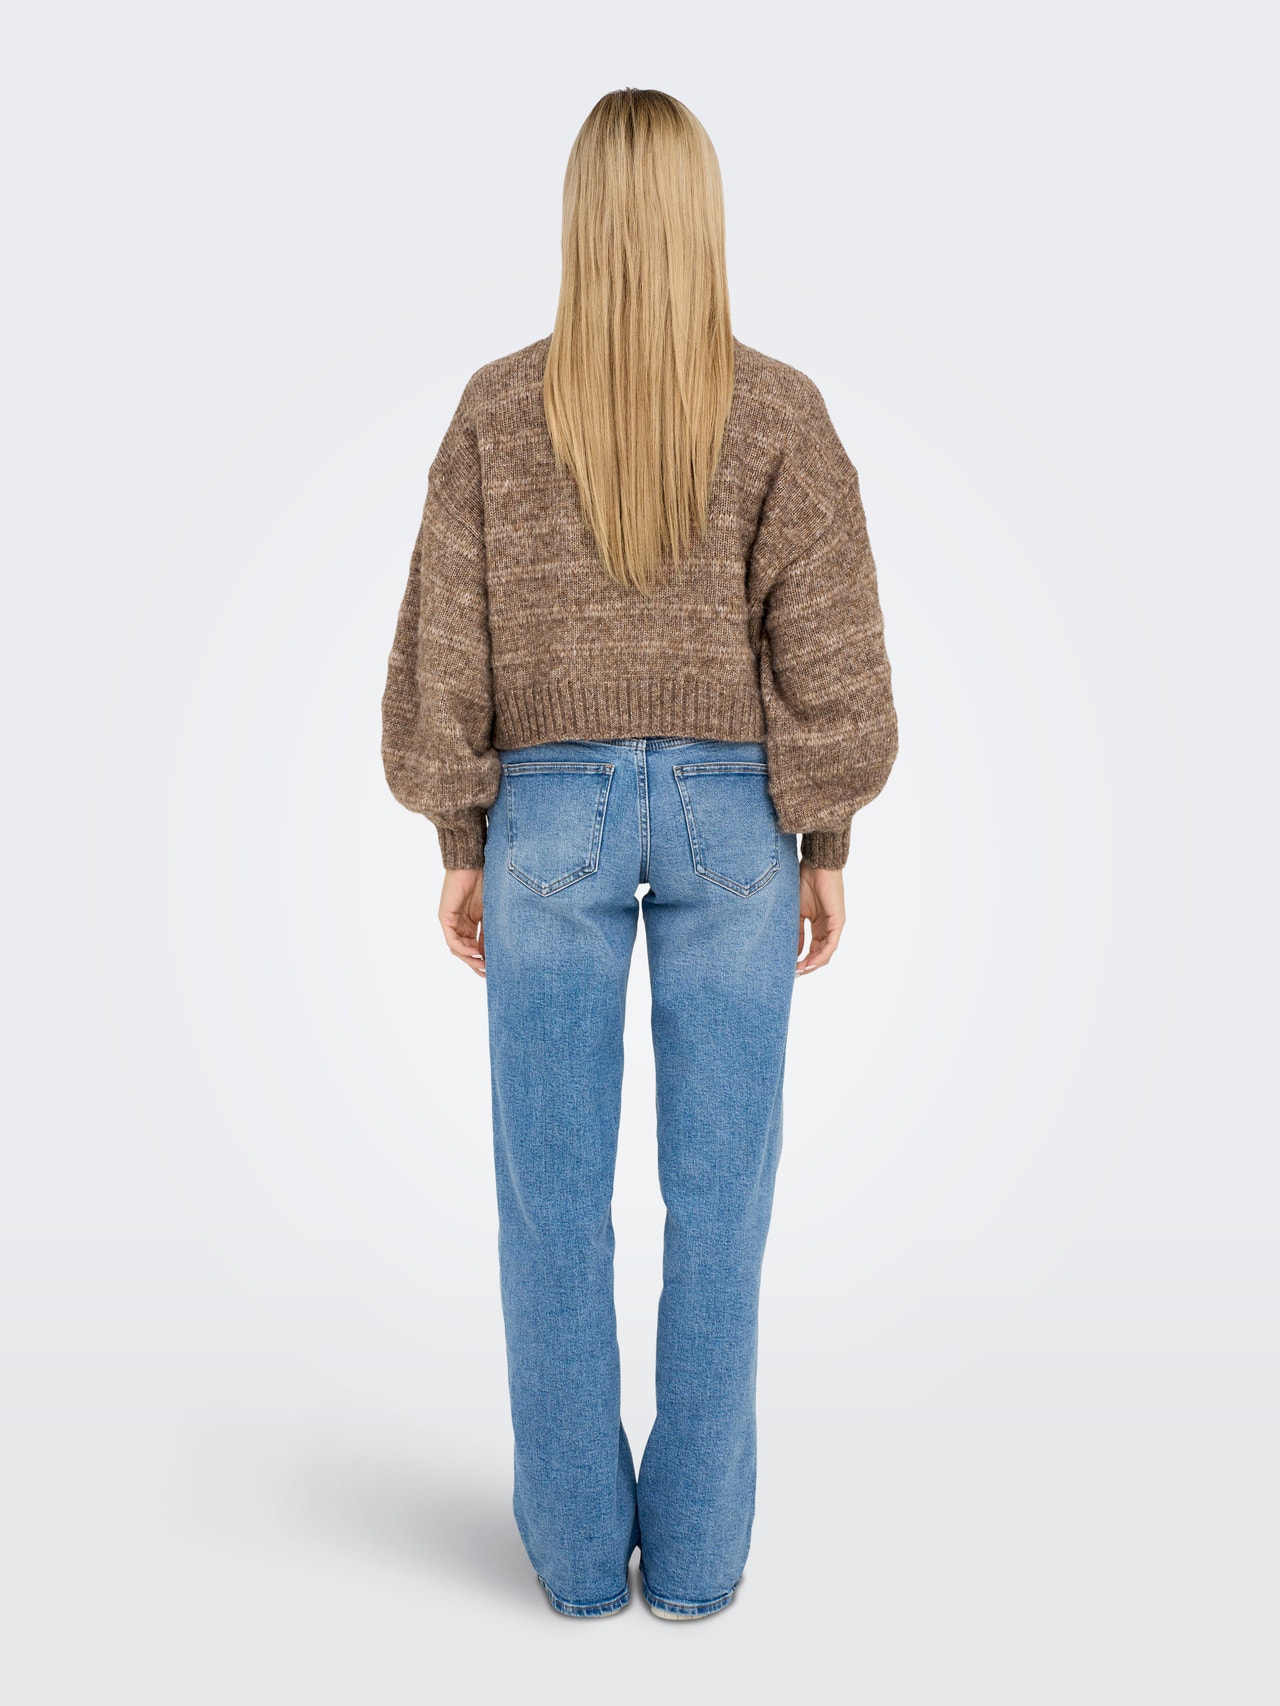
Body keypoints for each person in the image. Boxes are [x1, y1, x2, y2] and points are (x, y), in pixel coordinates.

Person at [381, 87, 897, 1621]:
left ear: (581, 225)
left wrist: (461, 834)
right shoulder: (781, 413)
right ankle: (699, 1557)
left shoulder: (496, 412)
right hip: (736, 816)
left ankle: (570, 1557)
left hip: (546, 817)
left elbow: (446, 640)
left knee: (550, 1204)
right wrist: (825, 834)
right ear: (702, 225)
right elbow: (834, 651)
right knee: (720, 1204)